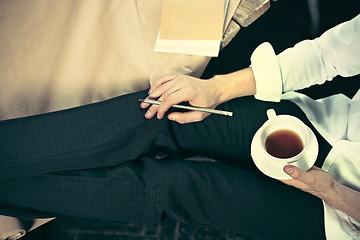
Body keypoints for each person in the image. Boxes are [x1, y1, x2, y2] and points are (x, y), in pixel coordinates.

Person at [0, 14, 358, 240]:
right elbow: (330, 54)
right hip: (322, 126)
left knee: (171, 188)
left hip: (338, 221)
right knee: (163, 111)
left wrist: (337, 194)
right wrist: (215, 88)